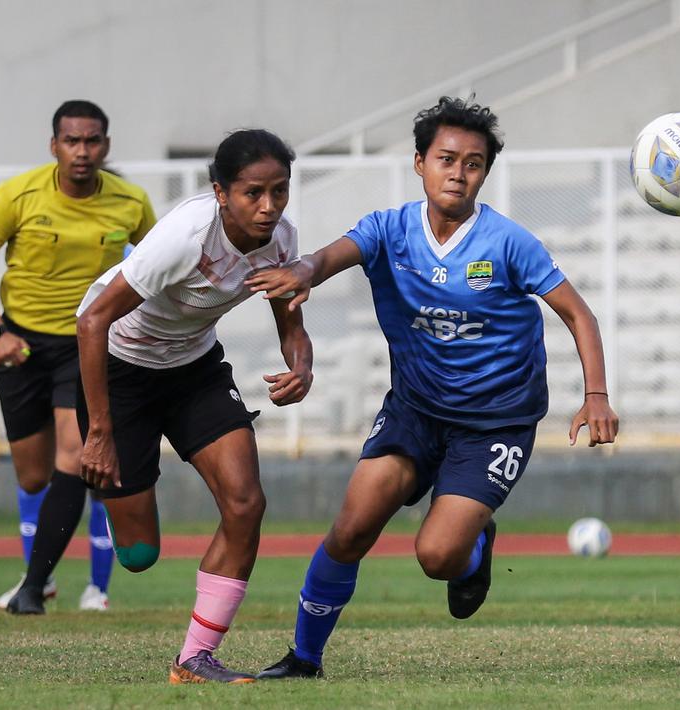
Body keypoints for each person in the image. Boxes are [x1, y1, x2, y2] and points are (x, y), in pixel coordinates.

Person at [250, 96, 619, 680]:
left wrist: (595, 396)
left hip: (496, 422)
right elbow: (326, 260)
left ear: (484, 173)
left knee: (436, 556)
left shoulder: (507, 242)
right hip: (415, 412)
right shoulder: (388, 230)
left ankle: (474, 548)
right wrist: (302, 271)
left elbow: (580, 315)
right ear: (419, 162)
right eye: (446, 158)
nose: (458, 172)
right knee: (351, 529)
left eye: (473, 163)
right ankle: (304, 659)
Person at [73, 128, 312, 684]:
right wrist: (101, 431)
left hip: (194, 370)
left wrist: (301, 366)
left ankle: (196, 658)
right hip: (119, 367)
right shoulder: (185, 235)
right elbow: (92, 320)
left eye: (280, 191)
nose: (268, 205)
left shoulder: (282, 239)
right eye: (254, 192)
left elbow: (291, 325)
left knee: (246, 503)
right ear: (221, 192)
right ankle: (110, 481)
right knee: (137, 555)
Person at [0, 100, 156, 613]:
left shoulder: (131, 202)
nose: (83, 151)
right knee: (33, 476)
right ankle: (41, 580)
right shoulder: (18, 195)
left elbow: (158, 266)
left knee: (77, 457)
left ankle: (76, 587)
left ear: (106, 146)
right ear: (54, 147)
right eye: (72, 141)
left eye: (92, 141)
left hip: (86, 342)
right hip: (20, 344)